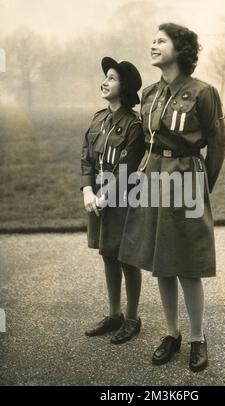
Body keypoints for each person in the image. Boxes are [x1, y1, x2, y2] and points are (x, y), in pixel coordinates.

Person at [119, 23, 225, 371]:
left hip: (186, 178)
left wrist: (201, 187)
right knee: (161, 260)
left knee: (188, 263)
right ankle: (171, 333)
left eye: (161, 41)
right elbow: (142, 145)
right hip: (152, 177)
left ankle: (197, 338)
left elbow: (217, 145)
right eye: (152, 40)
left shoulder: (203, 92)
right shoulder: (148, 94)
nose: (153, 44)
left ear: (180, 49)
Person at [80, 57, 145, 344]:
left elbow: (129, 168)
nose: (105, 82)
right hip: (97, 196)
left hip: (122, 199)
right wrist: (87, 191)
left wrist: (106, 197)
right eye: (105, 77)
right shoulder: (98, 118)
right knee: (107, 253)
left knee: (127, 257)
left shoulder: (133, 125)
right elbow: (86, 159)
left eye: (112, 78)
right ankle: (114, 314)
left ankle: (132, 319)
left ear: (126, 88)